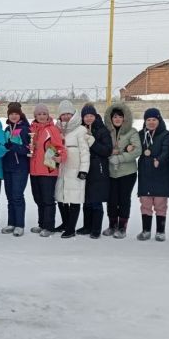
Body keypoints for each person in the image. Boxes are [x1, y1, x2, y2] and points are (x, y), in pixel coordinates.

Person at [103, 102, 142, 239]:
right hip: (110, 172)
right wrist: (111, 153)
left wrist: (120, 157)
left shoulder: (132, 132)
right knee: (111, 199)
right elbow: (103, 147)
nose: (117, 119)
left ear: (125, 118)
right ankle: (112, 224)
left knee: (123, 199)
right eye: (115, 117)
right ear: (110, 119)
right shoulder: (107, 132)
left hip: (127, 173)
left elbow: (137, 150)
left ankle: (122, 227)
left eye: (120, 116)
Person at [28, 104, 66, 237]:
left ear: (48, 115)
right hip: (34, 170)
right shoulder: (32, 129)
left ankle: (49, 226)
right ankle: (42, 224)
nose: (42, 116)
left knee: (47, 199)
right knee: (38, 198)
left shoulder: (52, 129)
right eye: (39, 114)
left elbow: (60, 147)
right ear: (35, 116)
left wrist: (60, 157)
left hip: (48, 170)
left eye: (44, 114)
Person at [137, 108, 169, 241]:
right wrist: (128, 148)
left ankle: (160, 231)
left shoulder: (166, 135)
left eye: (154, 119)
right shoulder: (140, 134)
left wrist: (160, 159)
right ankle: (146, 230)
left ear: (159, 120)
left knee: (160, 203)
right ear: (145, 121)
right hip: (145, 171)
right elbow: (135, 147)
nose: (151, 122)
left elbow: (167, 150)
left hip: (161, 172)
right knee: (145, 202)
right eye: (148, 120)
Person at [55, 101, 90, 238]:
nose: (66, 116)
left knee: (74, 199)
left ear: (73, 114)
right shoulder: (57, 129)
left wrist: (84, 170)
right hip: (61, 170)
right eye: (63, 114)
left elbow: (85, 152)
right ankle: (65, 223)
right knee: (61, 198)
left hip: (75, 170)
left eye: (68, 113)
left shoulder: (80, 130)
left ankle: (71, 228)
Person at [77, 104, 112, 239]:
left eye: (91, 115)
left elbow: (107, 151)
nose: (89, 118)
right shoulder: (80, 130)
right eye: (86, 116)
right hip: (84, 168)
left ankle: (96, 228)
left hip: (98, 168)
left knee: (96, 200)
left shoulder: (102, 130)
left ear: (95, 116)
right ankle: (87, 226)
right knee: (86, 200)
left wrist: (93, 142)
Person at [1, 102, 30, 236]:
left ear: (20, 115)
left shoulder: (25, 129)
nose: (13, 116)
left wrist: (13, 146)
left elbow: (28, 149)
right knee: (10, 197)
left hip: (20, 167)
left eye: (16, 114)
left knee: (17, 196)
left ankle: (19, 224)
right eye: (11, 114)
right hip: (7, 166)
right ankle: (11, 222)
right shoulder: (7, 129)